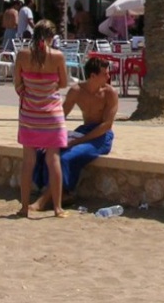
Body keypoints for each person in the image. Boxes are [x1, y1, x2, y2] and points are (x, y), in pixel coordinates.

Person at [32, 55, 119, 210]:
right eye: (105, 74)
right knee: (48, 152)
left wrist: (78, 141)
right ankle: (63, 194)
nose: (108, 77)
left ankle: (43, 200)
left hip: (101, 136)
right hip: (84, 131)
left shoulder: (110, 93)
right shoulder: (77, 91)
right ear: (93, 76)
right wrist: (50, 136)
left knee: (65, 158)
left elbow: (106, 125)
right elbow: (61, 116)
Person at [14, 20, 70, 218]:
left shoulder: (22, 55)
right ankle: (57, 208)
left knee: (28, 161)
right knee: (53, 159)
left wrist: (30, 93)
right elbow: (63, 83)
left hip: (29, 114)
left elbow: (17, 84)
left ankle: (24, 207)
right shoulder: (57, 56)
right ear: (51, 37)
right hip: (52, 115)